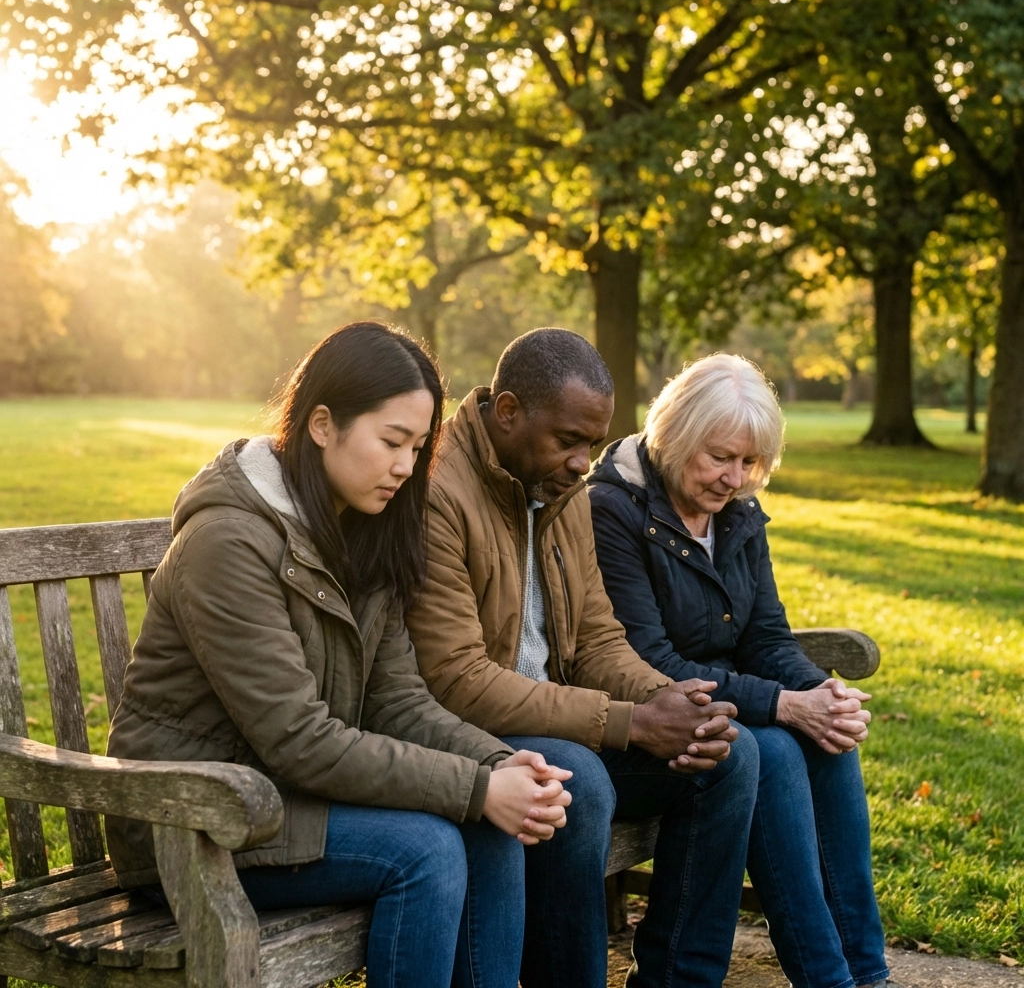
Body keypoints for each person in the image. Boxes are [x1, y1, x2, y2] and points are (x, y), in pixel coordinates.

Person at [105, 322, 574, 988]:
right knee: (428, 850)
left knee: (493, 830)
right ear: (322, 424)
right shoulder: (227, 542)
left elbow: (399, 702)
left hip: (287, 801)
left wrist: (496, 763)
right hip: (191, 820)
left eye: (418, 447)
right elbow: (300, 740)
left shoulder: (364, 529)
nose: (406, 468)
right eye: (391, 442)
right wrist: (476, 788)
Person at [405, 328, 760, 988]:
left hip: (560, 721)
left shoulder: (561, 491)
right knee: (578, 781)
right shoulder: (438, 494)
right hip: (471, 736)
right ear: (508, 412)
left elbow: (597, 640)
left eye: (592, 446)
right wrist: (630, 724)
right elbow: (457, 680)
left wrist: (667, 702)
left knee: (728, 753)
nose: (580, 463)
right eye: (567, 441)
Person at [587, 353, 894, 988]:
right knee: (776, 747)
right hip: (647, 715)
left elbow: (768, 638)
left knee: (829, 742)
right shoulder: (613, 510)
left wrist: (819, 693)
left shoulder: (739, 513)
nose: (735, 478)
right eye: (720, 458)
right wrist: (784, 705)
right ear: (676, 438)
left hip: (729, 709)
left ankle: (867, 973)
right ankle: (827, 979)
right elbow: (650, 663)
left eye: (751, 462)